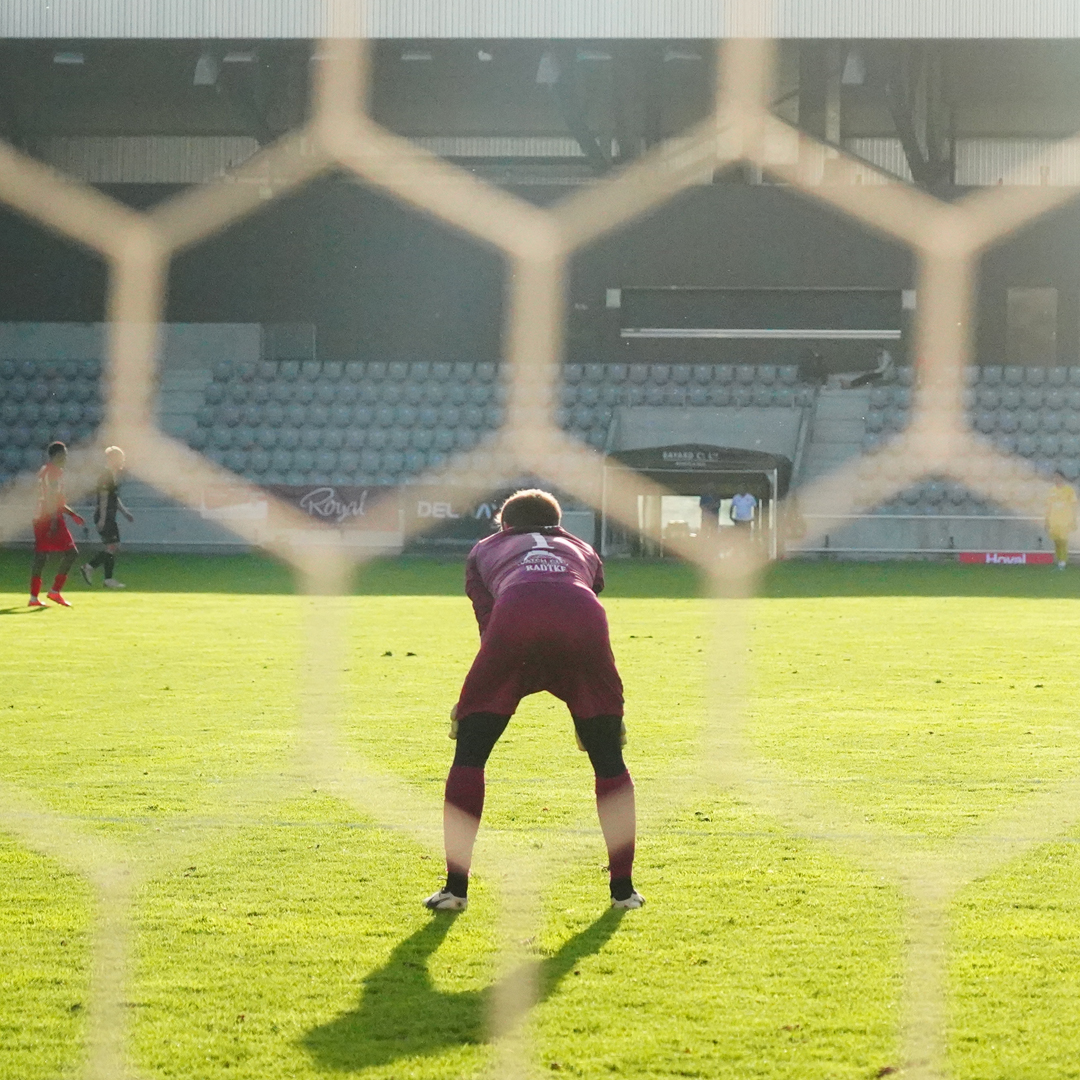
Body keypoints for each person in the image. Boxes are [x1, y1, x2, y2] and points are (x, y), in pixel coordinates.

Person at [424, 488, 642, 913]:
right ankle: (623, 892)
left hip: (515, 621)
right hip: (584, 621)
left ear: (504, 524)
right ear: (557, 524)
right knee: (608, 759)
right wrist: (602, 708)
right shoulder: (582, 546)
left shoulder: (486, 548)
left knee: (470, 755)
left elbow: (489, 620)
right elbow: (587, 592)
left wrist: (476, 695)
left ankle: (455, 890)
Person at [28, 441, 85, 608]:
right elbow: (53, 498)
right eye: (65, 454)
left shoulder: (43, 471)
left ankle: (33, 598)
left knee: (41, 556)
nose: (66, 457)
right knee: (71, 553)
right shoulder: (55, 473)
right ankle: (55, 591)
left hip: (39, 516)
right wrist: (54, 519)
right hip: (50, 517)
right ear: (58, 455)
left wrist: (72, 514)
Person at [81, 446, 134, 589]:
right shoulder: (106, 476)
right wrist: (103, 519)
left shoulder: (112, 476)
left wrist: (124, 512)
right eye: (120, 458)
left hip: (110, 516)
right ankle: (90, 567)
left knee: (112, 546)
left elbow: (113, 498)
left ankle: (107, 578)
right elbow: (104, 498)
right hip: (105, 516)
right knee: (112, 546)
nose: (123, 461)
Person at [1045, 471, 1077, 570]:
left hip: (1065, 520)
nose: (1056, 479)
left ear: (1062, 478)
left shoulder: (1069, 490)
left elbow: (1074, 505)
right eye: (1054, 477)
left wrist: (1074, 520)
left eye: (1058, 477)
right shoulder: (1051, 491)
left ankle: (1063, 562)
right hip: (1053, 520)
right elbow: (1048, 507)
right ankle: (1059, 561)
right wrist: (1046, 521)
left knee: (1063, 541)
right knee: (1056, 542)